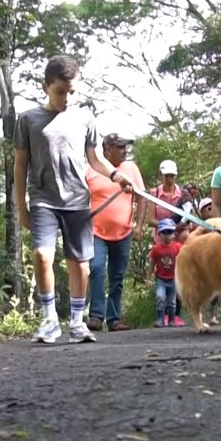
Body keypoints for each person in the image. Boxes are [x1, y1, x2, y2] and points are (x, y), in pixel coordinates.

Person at [14, 54, 132, 344]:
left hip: (77, 200)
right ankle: (50, 319)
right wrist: (21, 207)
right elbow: (20, 165)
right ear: (46, 87)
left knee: (79, 263)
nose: (66, 98)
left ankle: (78, 322)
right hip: (43, 199)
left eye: (72, 92)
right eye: (60, 92)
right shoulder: (28, 119)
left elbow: (95, 159)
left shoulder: (84, 118)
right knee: (42, 255)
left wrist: (115, 175)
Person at [86, 133, 146, 333]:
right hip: (96, 231)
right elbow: (80, 197)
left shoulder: (131, 168)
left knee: (117, 276)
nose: (124, 151)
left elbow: (142, 197)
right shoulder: (92, 169)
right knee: (96, 268)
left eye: (125, 147)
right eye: (120, 147)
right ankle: (96, 316)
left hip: (123, 232)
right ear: (107, 150)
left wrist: (139, 225)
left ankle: (114, 318)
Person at [146, 160, 189, 326]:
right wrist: (167, 227)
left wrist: (179, 227)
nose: (169, 179)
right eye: (166, 176)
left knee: (180, 274)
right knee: (164, 272)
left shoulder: (183, 194)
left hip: (180, 237)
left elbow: (189, 216)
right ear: (161, 176)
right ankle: (161, 315)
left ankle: (176, 314)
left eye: (172, 176)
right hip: (162, 238)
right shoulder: (154, 193)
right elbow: (151, 220)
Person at [148, 219, 183, 328]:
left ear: (174, 234)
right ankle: (160, 319)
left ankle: (172, 320)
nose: (167, 235)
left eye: (170, 232)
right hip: (161, 279)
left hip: (173, 279)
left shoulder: (178, 247)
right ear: (159, 234)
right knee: (160, 297)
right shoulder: (156, 249)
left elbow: (183, 262)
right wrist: (148, 278)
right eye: (164, 232)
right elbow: (152, 263)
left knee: (172, 302)